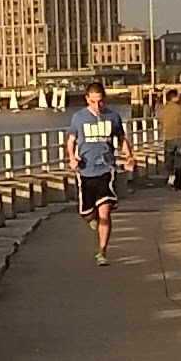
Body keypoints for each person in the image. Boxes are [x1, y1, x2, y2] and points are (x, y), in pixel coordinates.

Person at [71, 82, 124, 261]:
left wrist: (129, 155)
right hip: (86, 170)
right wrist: (72, 157)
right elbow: (71, 140)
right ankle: (90, 217)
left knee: (105, 213)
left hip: (106, 169)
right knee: (87, 213)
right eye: (93, 102)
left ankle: (102, 252)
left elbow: (121, 138)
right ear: (87, 99)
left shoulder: (113, 117)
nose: (97, 105)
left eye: (100, 101)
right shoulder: (78, 118)